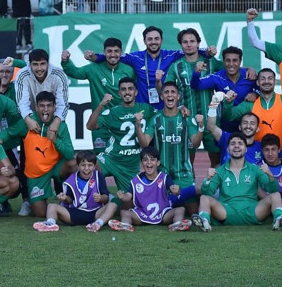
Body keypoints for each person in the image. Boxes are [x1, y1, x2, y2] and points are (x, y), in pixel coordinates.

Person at [86, 26, 213, 109]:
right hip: (143, 107)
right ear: (144, 41)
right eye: (150, 39)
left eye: (156, 39)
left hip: (165, 106)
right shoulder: (136, 57)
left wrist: (207, 53)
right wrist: (94, 57)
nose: (153, 42)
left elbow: (190, 49)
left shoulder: (171, 55)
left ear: (161, 40)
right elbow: (113, 56)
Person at [191, 133, 282, 231]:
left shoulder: (255, 169)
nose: (236, 146)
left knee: (275, 195)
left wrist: (270, 175)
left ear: (246, 149)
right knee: (204, 198)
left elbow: (273, 190)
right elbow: (207, 193)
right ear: (228, 149)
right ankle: (204, 221)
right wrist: (207, 180)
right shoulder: (219, 171)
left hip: (252, 211)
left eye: (240, 143)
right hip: (226, 211)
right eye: (233, 143)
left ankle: (279, 219)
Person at [135, 82, 204, 212]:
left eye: (173, 92)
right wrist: (138, 126)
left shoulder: (185, 118)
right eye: (166, 92)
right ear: (161, 96)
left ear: (178, 96)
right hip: (163, 176)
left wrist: (201, 127)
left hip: (184, 175)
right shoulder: (156, 119)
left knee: (193, 211)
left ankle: (181, 201)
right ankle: (175, 203)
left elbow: (195, 143)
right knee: (162, 210)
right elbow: (144, 143)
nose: (170, 95)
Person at [6, 91, 76, 218]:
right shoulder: (28, 123)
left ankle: (74, 197)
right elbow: (10, 132)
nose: (45, 109)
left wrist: (55, 140)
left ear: (54, 107)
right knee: (40, 213)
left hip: (55, 167)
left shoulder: (61, 125)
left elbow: (70, 153)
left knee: (74, 164)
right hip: (36, 173)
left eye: (49, 106)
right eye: (42, 106)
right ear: (36, 108)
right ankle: (53, 206)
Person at [62, 38, 135, 152]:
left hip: (122, 121)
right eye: (109, 51)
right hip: (100, 123)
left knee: (122, 156)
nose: (113, 55)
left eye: (116, 51)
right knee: (101, 158)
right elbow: (74, 72)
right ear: (104, 52)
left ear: (121, 53)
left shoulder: (129, 70)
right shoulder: (94, 69)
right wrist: (66, 61)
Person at [164, 28, 224, 165]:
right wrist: (178, 106)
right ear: (181, 45)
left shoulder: (211, 62)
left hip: (211, 119)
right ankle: (190, 185)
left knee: (216, 158)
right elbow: (168, 91)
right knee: (188, 161)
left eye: (192, 41)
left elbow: (231, 70)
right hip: (187, 120)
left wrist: (248, 71)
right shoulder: (175, 67)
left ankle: (214, 186)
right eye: (185, 42)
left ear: (198, 44)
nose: (189, 44)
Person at [86, 78, 154, 195]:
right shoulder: (113, 112)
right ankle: (96, 197)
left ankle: (112, 199)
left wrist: (181, 108)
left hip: (130, 166)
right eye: (123, 89)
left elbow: (164, 113)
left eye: (130, 89)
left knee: (130, 201)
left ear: (136, 92)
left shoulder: (147, 109)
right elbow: (90, 126)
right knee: (88, 165)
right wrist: (101, 104)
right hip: (110, 158)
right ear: (119, 93)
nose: (127, 92)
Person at [106, 147, 190, 232]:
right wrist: (123, 196)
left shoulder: (164, 177)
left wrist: (177, 191)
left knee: (180, 210)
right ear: (142, 163)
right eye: (145, 160)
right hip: (142, 214)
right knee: (124, 212)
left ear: (158, 163)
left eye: (152, 159)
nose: (149, 162)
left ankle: (177, 224)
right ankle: (126, 225)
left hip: (162, 214)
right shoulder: (136, 180)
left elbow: (175, 191)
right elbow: (128, 196)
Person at [33, 151, 113, 232]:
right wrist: (65, 198)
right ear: (78, 166)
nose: (86, 168)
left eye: (90, 165)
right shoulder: (72, 179)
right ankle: (50, 223)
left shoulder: (98, 176)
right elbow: (70, 200)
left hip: (95, 213)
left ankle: (98, 224)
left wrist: (101, 198)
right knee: (51, 206)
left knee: (112, 205)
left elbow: (106, 198)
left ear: (94, 166)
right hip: (74, 213)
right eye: (83, 165)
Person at [223, 68, 282, 150]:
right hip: (257, 158)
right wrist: (228, 103)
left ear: (275, 81)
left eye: (270, 78)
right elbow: (228, 116)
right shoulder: (250, 103)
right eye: (263, 79)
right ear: (258, 83)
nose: (266, 81)